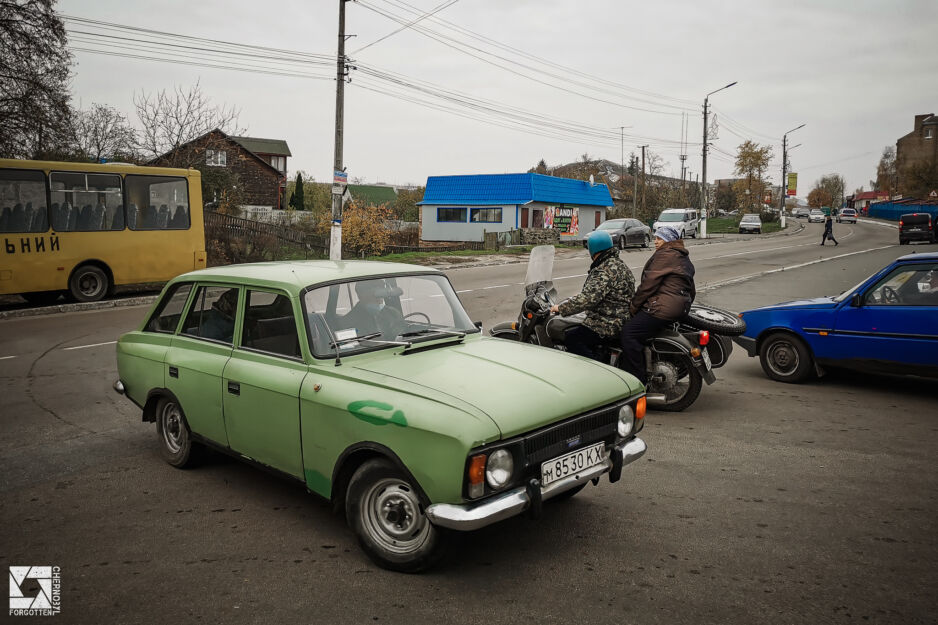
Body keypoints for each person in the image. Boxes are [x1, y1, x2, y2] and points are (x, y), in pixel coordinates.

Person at [620, 225, 696, 385]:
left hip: (662, 309)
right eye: (655, 238)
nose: (655, 241)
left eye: (659, 238)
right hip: (680, 308)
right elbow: (692, 290)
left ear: (668, 240)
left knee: (628, 333)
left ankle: (637, 382)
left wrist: (633, 306)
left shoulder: (665, 255)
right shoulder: (682, 256)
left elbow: (648, 285)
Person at [548, 230, 635, 361]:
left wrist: (560, 308)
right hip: (620, 317)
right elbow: (599, 292)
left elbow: (588, 299)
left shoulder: (604, 270)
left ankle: (596, 369)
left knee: (573, 339)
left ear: (593, 250)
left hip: (608, 322)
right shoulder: (618, 264)